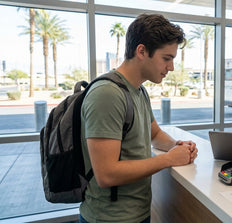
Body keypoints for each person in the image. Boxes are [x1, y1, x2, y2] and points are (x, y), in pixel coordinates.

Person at [79, 14, 198, 223]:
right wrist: (168, 159)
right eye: (167, 58)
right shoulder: (107, 94)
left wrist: (176, 146)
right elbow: (106, 174)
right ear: (141, 51)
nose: (171, 67)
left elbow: (154, 134)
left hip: (137, 213)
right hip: (110, 219)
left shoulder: (138, 90)